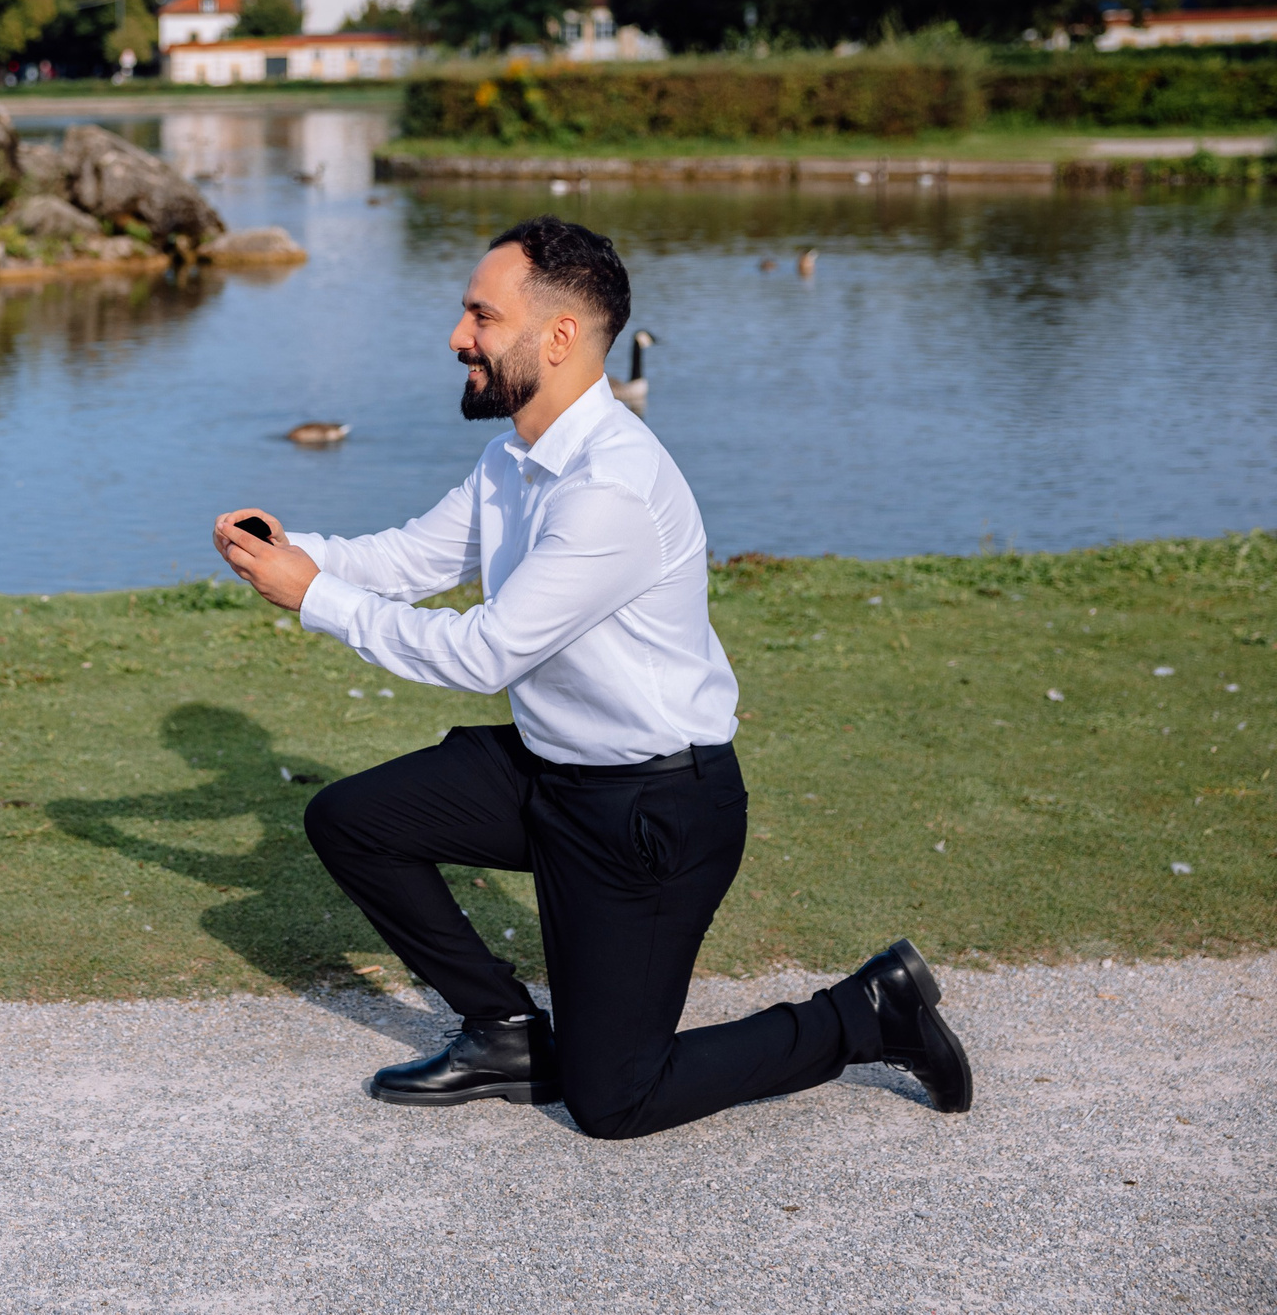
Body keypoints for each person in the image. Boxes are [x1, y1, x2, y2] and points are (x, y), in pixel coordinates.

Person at [213, 216, 970, 1141]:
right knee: (352, 819)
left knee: (616, 1101)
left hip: (651, 814)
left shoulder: (611, 488)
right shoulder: (513, 460)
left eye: (481, 317)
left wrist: (316, 599)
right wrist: (295, 556)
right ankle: (502, 1031)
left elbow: (485, 652)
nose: (458, 338)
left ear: (560, 338)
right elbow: (410, 559)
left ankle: (867, 1015)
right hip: (553, 774)